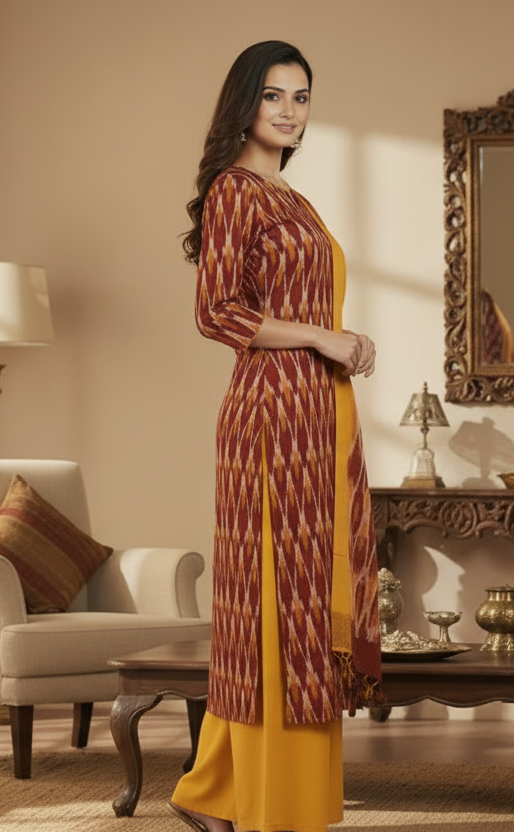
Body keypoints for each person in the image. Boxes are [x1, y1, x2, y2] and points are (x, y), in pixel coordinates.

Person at [168, 40, 383, 832]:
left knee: (301, 599)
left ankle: (213, 793)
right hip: (271, 419)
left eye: (301, 97)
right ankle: (252, 799)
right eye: (273, 96)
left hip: (318, 413)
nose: (290, 111)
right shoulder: (236, 190)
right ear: (244, 104)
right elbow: (216, 311)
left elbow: (304, 307)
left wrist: (345, 341)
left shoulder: (290, 196)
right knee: (271, 602)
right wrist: (324, 338)